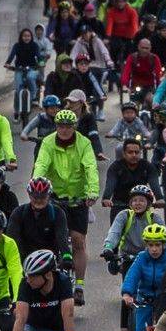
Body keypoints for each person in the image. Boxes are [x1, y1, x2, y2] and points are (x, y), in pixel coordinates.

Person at [33, 111, 101, 305]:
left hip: (77, 199)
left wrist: (92, 191)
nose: (64, 130)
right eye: (60, 126)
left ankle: (79, 285)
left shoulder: (84, 143)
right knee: (49, 240)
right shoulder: (47, 142)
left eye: (68, 126)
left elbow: (90, 168)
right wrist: (39, 186)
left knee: (78, 240)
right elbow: (41, 165)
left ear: (74, 127)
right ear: (56, 126)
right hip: (54, 197)